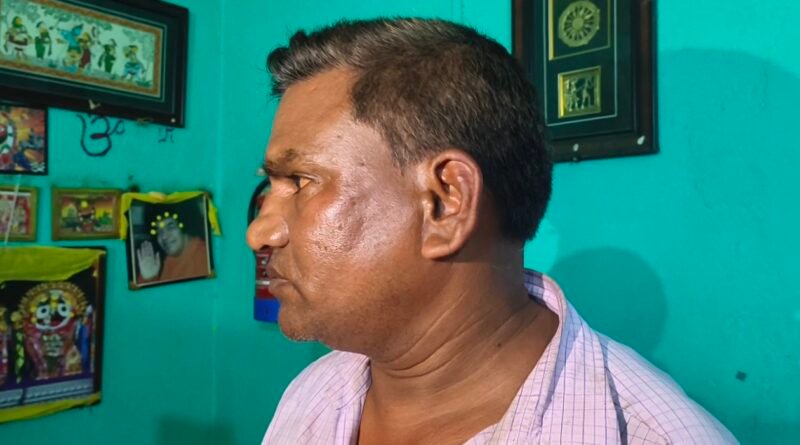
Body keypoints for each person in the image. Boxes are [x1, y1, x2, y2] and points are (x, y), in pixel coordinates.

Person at [246, 18, 737, 445]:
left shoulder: (655, 435)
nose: (259, 233)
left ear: (445, 203)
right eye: (271, 186)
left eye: (301, 181)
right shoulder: (316, 394)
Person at [136, 198, 209, 283]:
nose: (164, 236)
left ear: (185, 226)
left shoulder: (203, 257)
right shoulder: (167, 262)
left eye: (170, 227)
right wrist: (149, 278)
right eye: (159, 231)